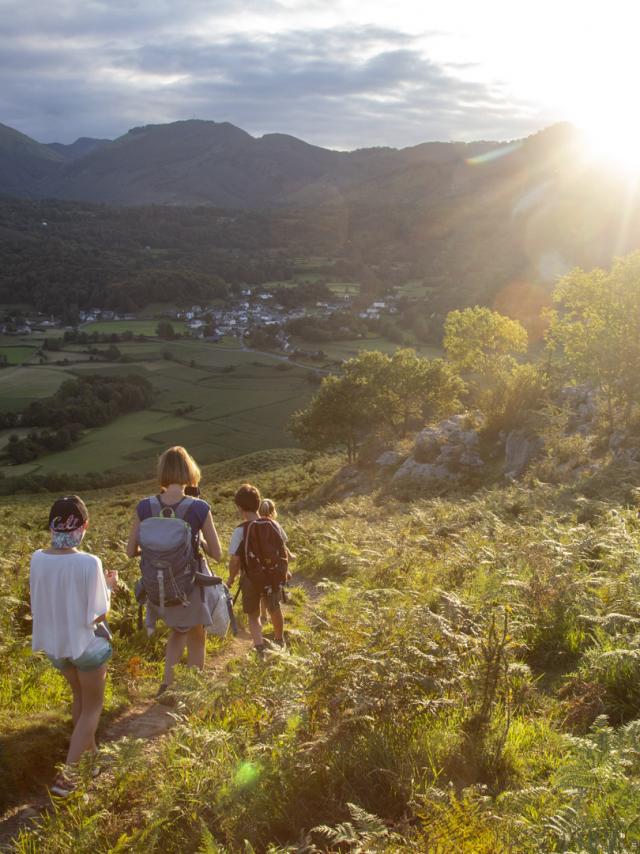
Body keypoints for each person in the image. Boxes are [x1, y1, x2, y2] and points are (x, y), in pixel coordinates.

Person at [30, 495, 117, 797]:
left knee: (80, 699)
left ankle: (89, 762)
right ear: (85, 526)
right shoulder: (89, 562)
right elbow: (100, 613)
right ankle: (67, 778)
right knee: (93, 707)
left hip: (58, 647)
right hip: (87, 646)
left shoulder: (37, 558)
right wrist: (110, 587)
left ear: (51, 526)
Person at [126, 446, 222, 694]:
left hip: (158, 586)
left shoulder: (144, 507)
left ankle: (166, 685)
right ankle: (191, 690)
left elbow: (130, 551)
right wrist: (196, 541)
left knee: (177, 633)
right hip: (189, 585)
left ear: (162, 472)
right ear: (189, 470)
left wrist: (156, 551)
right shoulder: (199, 508)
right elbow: (218, 553)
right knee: (197, 636)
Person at [227, 484, 287, 655]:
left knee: (253, 614)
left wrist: (231, 579)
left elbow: (235, 560)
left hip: (251, 578)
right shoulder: (273, 524)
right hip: (273, 574)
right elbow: (283, 548)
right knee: (274, 607)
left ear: (239, 507)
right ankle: (279, 639)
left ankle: (259, 646)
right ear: (258, 502)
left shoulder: (240, 530)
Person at [258, 498, 295, 623]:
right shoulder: (275, 525)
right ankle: (275, 616)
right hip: (274, 565)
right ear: (273, 511)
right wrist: (290, 557)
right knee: (274, 591)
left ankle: (263, 616)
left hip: (259, 565)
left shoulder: (255, 524)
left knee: (262, 592)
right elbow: (282, 545)